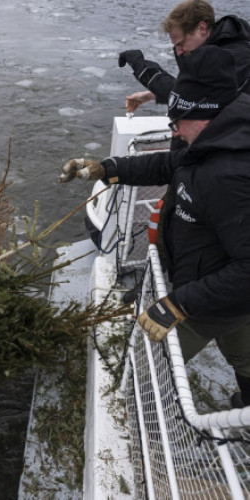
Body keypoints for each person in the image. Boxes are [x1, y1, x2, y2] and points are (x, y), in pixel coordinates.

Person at [60, 45, 250, 408]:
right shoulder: (214, 143)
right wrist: (107, 167)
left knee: (144, 361)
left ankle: (134, 409)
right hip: (231, 302)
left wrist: (178, 304)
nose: (173, 130)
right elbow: (168, 165)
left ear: (202, 116)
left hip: (206, 305)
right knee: (246, 357)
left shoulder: (229, 177)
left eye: (176, 122)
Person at [119, 0, 250, 114]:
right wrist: (151, 96)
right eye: (175, 45)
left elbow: (194, 100)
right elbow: (192, 90)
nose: (179, 51)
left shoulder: (236, 57)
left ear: (202, 28)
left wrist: (140, 66)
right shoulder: (196, 50)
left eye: (181, 44)